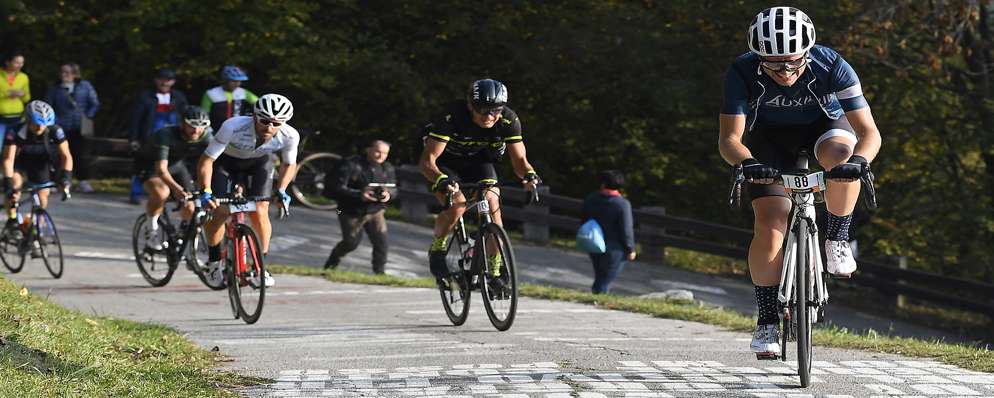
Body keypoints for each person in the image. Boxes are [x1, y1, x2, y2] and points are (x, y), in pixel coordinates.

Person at [718, 7, 881, 357]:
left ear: (808, 52)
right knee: (771, 223)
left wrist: (859, 161)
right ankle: (766, 322)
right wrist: (746, 163)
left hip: (824, 129)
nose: (785, 72)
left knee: (841, 156)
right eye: (774, 65)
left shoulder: (832, 65)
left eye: (793, 62)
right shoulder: (741, 71)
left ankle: (837, 236)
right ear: (758, 57)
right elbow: (730, 139)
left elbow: (869, 133)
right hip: (769, 139)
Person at [418, 79, 541, 282]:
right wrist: (440, 179)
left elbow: (520, 162)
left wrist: (529, 175)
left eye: (496, 110)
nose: (489, 116)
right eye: (482, 109)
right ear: (470, 106)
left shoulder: (509, 120)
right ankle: (437, 250)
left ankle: (494, 270)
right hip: (443, 160)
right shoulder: (451, 117)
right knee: (457, 205)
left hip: (476, 159)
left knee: (492, 200)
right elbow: (427, 161)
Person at [197, 93, 299, 288]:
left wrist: (283, 190)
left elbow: (289, 164)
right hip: (226, 164)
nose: (269, 127)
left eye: (276, 123)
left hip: (258, 164)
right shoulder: (232, 126)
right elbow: (207, 160)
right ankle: (214, 261)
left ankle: (261, 266)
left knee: (260, 211)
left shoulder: (290, 135)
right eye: (264, 121)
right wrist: (206, 191)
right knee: (220, 211)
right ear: (254, 116)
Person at [133, 106, 212, 251]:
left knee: (191, 206)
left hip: (175, 166)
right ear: (182, 124)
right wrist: (176, 189)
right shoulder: (166, 135)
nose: (196, 131)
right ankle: (152, 233)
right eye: (192, 127)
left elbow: (215, 162)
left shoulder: (205, 136)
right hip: (149, 166)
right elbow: (161, 169)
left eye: (201, 127)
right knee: (162, 193)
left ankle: (187, 247)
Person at [323, 140, 397, 274]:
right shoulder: (353, 165)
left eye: (385, 153)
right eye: (378, 151)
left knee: (381, 241)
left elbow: (394, 188)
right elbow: (335, 188)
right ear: (368, 150)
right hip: (350, 211)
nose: (381, 156)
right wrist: (359, 195)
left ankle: (379, 273)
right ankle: (330, 266)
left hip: (376, 210)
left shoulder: (387, 168)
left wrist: (388, 194)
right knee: (350, 243)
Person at [2, 101, 72, 240]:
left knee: (42, 195)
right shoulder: (15, 131)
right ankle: (13, 220)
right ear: (27, 121)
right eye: (36, 123)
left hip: (40, 163)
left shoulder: (55, 130)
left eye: (44, 124)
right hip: (19, 162)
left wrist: (65, 178)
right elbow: (8, 160)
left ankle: (35, 230)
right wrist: (8, 185)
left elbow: (66, 156)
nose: (40, 127)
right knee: (14, 185)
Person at [129, 68, 189, 204]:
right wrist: (133, 138)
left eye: (167, 80)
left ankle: (173, 194)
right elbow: (136, 118)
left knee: (173, 165)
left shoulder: (178, 97)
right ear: (155, 80)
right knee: (144, 164)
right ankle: (136, 194)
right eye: (161, 79)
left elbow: (186, 115)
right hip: (150, 138)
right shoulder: (146, 97)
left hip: (174, 139)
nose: (164, 82)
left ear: (173, 82)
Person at [44, 62, 100, 193]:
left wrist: (86, 117)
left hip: (78, 127)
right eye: (62, 72)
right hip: (60, 127)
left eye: (67, 72)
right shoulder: (55, 88)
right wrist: (55, 121)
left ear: (75, 74)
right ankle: (55, 181)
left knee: (77, 154)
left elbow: (94, 103)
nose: (63, 75)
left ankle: (82, 180)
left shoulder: (85, 86)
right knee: (57, 155)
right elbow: (48, 105)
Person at [581, 170, 636, 295]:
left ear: (603, 184)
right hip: (614, 248)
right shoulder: (622, 204)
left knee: (600, 276)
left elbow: (584, 220)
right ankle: (598, 302)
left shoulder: (591, 199)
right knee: (604, 281)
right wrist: (630, 248)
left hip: (593, 243)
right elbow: (626, 229)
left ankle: (596, 299)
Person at [200, 66, 259, 130]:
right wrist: (209, 130)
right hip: (217, 130)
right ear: (225, 80)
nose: (237, 84)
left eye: (239, 81)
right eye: (234, 81)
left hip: (238, 130)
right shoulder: (211, 94)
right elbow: (203, 114)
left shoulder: (243, 92)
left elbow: (260, 103)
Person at [1, 52, 30, 155]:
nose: (20, 65)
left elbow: (27, 98)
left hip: (17, 117)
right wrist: (8, 93)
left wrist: (22, 94)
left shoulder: (23, 77)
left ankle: (13, 169)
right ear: (8, 63)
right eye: (17, 62)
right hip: (1, 118)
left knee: (16, 147)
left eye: (22, 63)